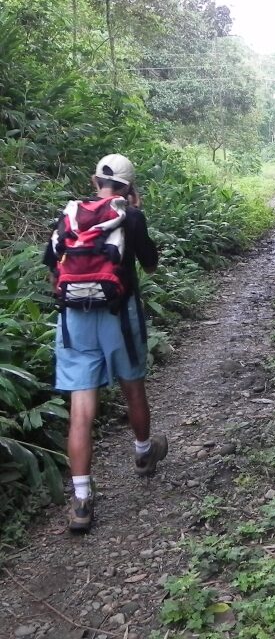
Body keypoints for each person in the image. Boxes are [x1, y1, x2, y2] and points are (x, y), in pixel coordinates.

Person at [43, 154, 168, 533]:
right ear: (131, 188)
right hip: (119, 314)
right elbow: (150, 265)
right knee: (133, 389)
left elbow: (53, 267)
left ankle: (81, 501)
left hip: (74, 319)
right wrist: (134, 218)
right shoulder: (130, 216)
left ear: (93, 180)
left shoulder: (70, 215)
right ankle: (144, 454)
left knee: (81, 408)